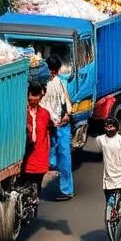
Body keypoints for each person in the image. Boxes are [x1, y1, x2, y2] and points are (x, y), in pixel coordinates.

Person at [43, 54, 74, 201]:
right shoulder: (42, 83)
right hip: (47, 124)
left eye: (54, 70)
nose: (52, 73)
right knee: (49, 155)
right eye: (51, 69)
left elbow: (67, 101)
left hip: (62, 124)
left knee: (64, 155)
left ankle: (67, 190)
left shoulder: (62, 83)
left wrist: (67, 115)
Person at [23, 82, 52, 192]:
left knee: (35, 192)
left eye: (36, 95)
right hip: (26, 162)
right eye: (31, 95)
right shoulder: (22, 113)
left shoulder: (44, 114)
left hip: (39, 162)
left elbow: (46, 137)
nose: (34, 98)